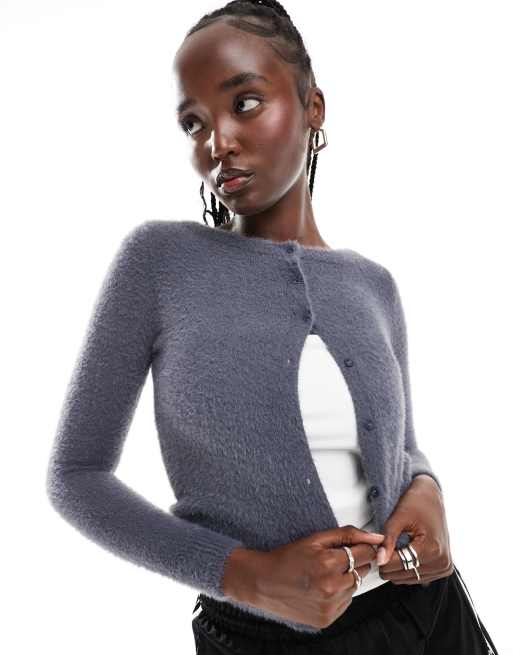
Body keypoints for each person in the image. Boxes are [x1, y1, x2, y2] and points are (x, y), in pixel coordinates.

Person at [46, 1, 498, 653]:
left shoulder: (373, 284)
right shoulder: (160, 262)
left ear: (313, 107)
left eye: (245, 103)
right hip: (261, 638)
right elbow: (76, 475)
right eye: (194, 122)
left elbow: (404, 448)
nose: (218, 142)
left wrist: (428, 491)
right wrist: (244, 575)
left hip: (432, 614)